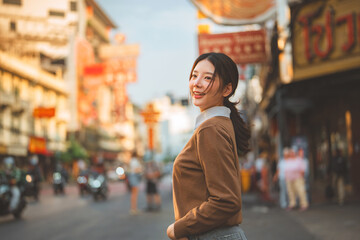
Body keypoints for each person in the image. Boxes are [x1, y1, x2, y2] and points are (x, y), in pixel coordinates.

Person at [167, 52, 250, 240]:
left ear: (227, 89)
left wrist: (178, 228)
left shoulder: (211, 128)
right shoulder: (217, 124)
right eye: (194, 75)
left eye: (207, 78)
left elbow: (226, 201)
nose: (196, 83)